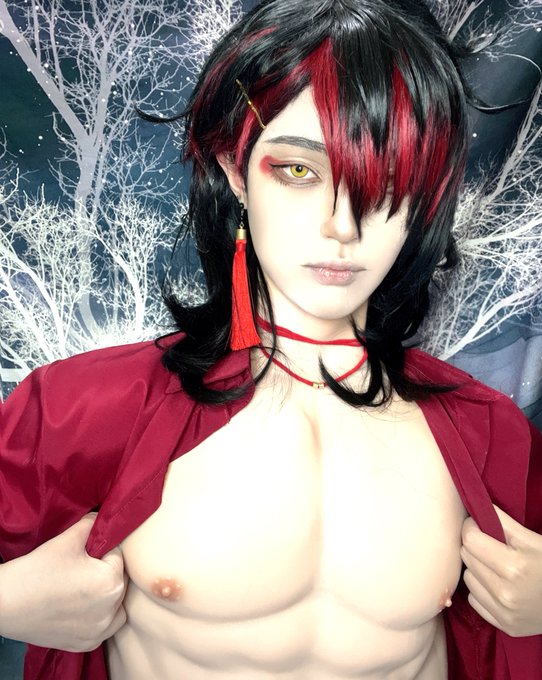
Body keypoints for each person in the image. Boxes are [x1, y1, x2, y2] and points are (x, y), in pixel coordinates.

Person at [1, 0, 541, 678]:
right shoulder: (82, 409)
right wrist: (6, 601)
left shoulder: (486, 433)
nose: (342, 226)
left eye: (387, 179)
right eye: (299, 171)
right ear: (234, 166)